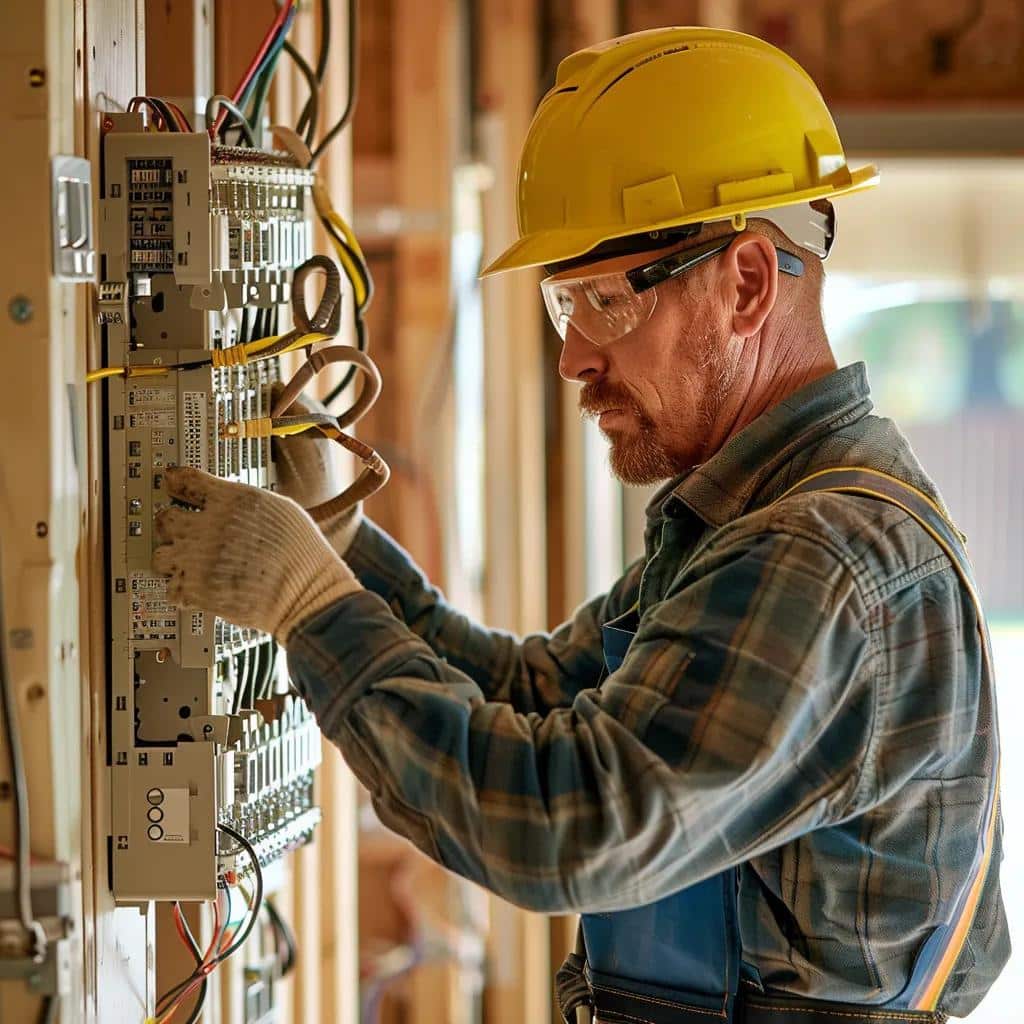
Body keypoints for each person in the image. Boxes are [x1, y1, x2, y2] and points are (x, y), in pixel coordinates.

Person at [154, 27, 1008, 1024]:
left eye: (602, 301)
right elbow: (522, 695)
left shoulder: (815, 556)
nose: (572, 360)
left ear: (743, 284)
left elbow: (570, 825)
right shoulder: (752, 523)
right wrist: (339, 552)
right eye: (566, 306)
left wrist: (309, 607)